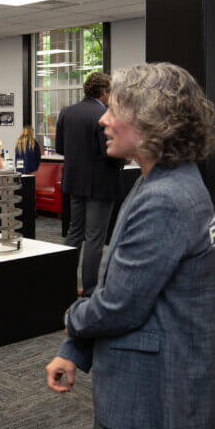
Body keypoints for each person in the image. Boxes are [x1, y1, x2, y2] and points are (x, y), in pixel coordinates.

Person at [45, 62, 215, 429]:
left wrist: (72, 319)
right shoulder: (161, 180)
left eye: (116, 109)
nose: (104, 118)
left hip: (148, 395)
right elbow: (121, 284)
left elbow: (119, 305)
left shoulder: (164, 197)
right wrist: (77, 349)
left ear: (149, 122)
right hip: (154, 382)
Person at [56, 72, 124, 290]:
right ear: (104, 91)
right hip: (100, 185)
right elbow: (109, 153)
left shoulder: (67, 112)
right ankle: (89, 290)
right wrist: (124, 159)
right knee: (95, 238)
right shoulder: (104, 114)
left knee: (75, 232)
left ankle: (65, 284)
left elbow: (59, 149)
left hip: (74, 182)